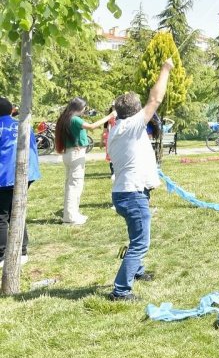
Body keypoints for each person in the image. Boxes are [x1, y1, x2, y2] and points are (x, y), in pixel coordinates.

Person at [106, 58, 174, 300]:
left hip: (127, 192)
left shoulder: (118, 128)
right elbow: (155, 99)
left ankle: (137, 271)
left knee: (136, 236)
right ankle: (121, 291)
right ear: (135, 113)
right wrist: (165, 69)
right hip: (132, 194)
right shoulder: (132, 126)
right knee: (140, 243)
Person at [54, 97, 115, 225]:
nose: (84, 111)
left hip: (69, 153)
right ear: (79, 108)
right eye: (84, 108)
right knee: (75, 186)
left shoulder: (64, 118)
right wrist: (109, 116)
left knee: (71, 185)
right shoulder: (75, 119)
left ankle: (72, 213)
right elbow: (92, 126)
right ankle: (70, 217)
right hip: (76, 155)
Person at [0, 97, 40, 267]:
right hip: (26, 172)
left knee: (2, 215)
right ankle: (22, 251)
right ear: (11, 110)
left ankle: (2, 255)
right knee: (17, 209)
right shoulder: (23, 124)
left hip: (5, 175)